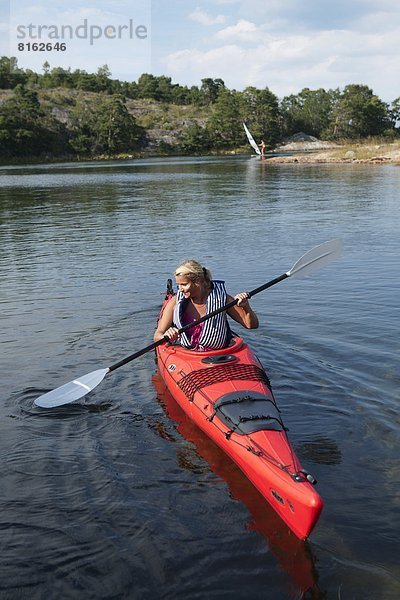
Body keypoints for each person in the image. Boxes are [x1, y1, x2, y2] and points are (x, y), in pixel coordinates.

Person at [154, 259, 259, 351]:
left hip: (220, 355)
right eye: (178, 285)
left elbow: (251, 325)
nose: (180, 289)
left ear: (198, 281)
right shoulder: (175, 301)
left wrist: (246, 306)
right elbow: (157, 335)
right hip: (186, 355)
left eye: (184, 284)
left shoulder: (222, 299)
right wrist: (166, 336)